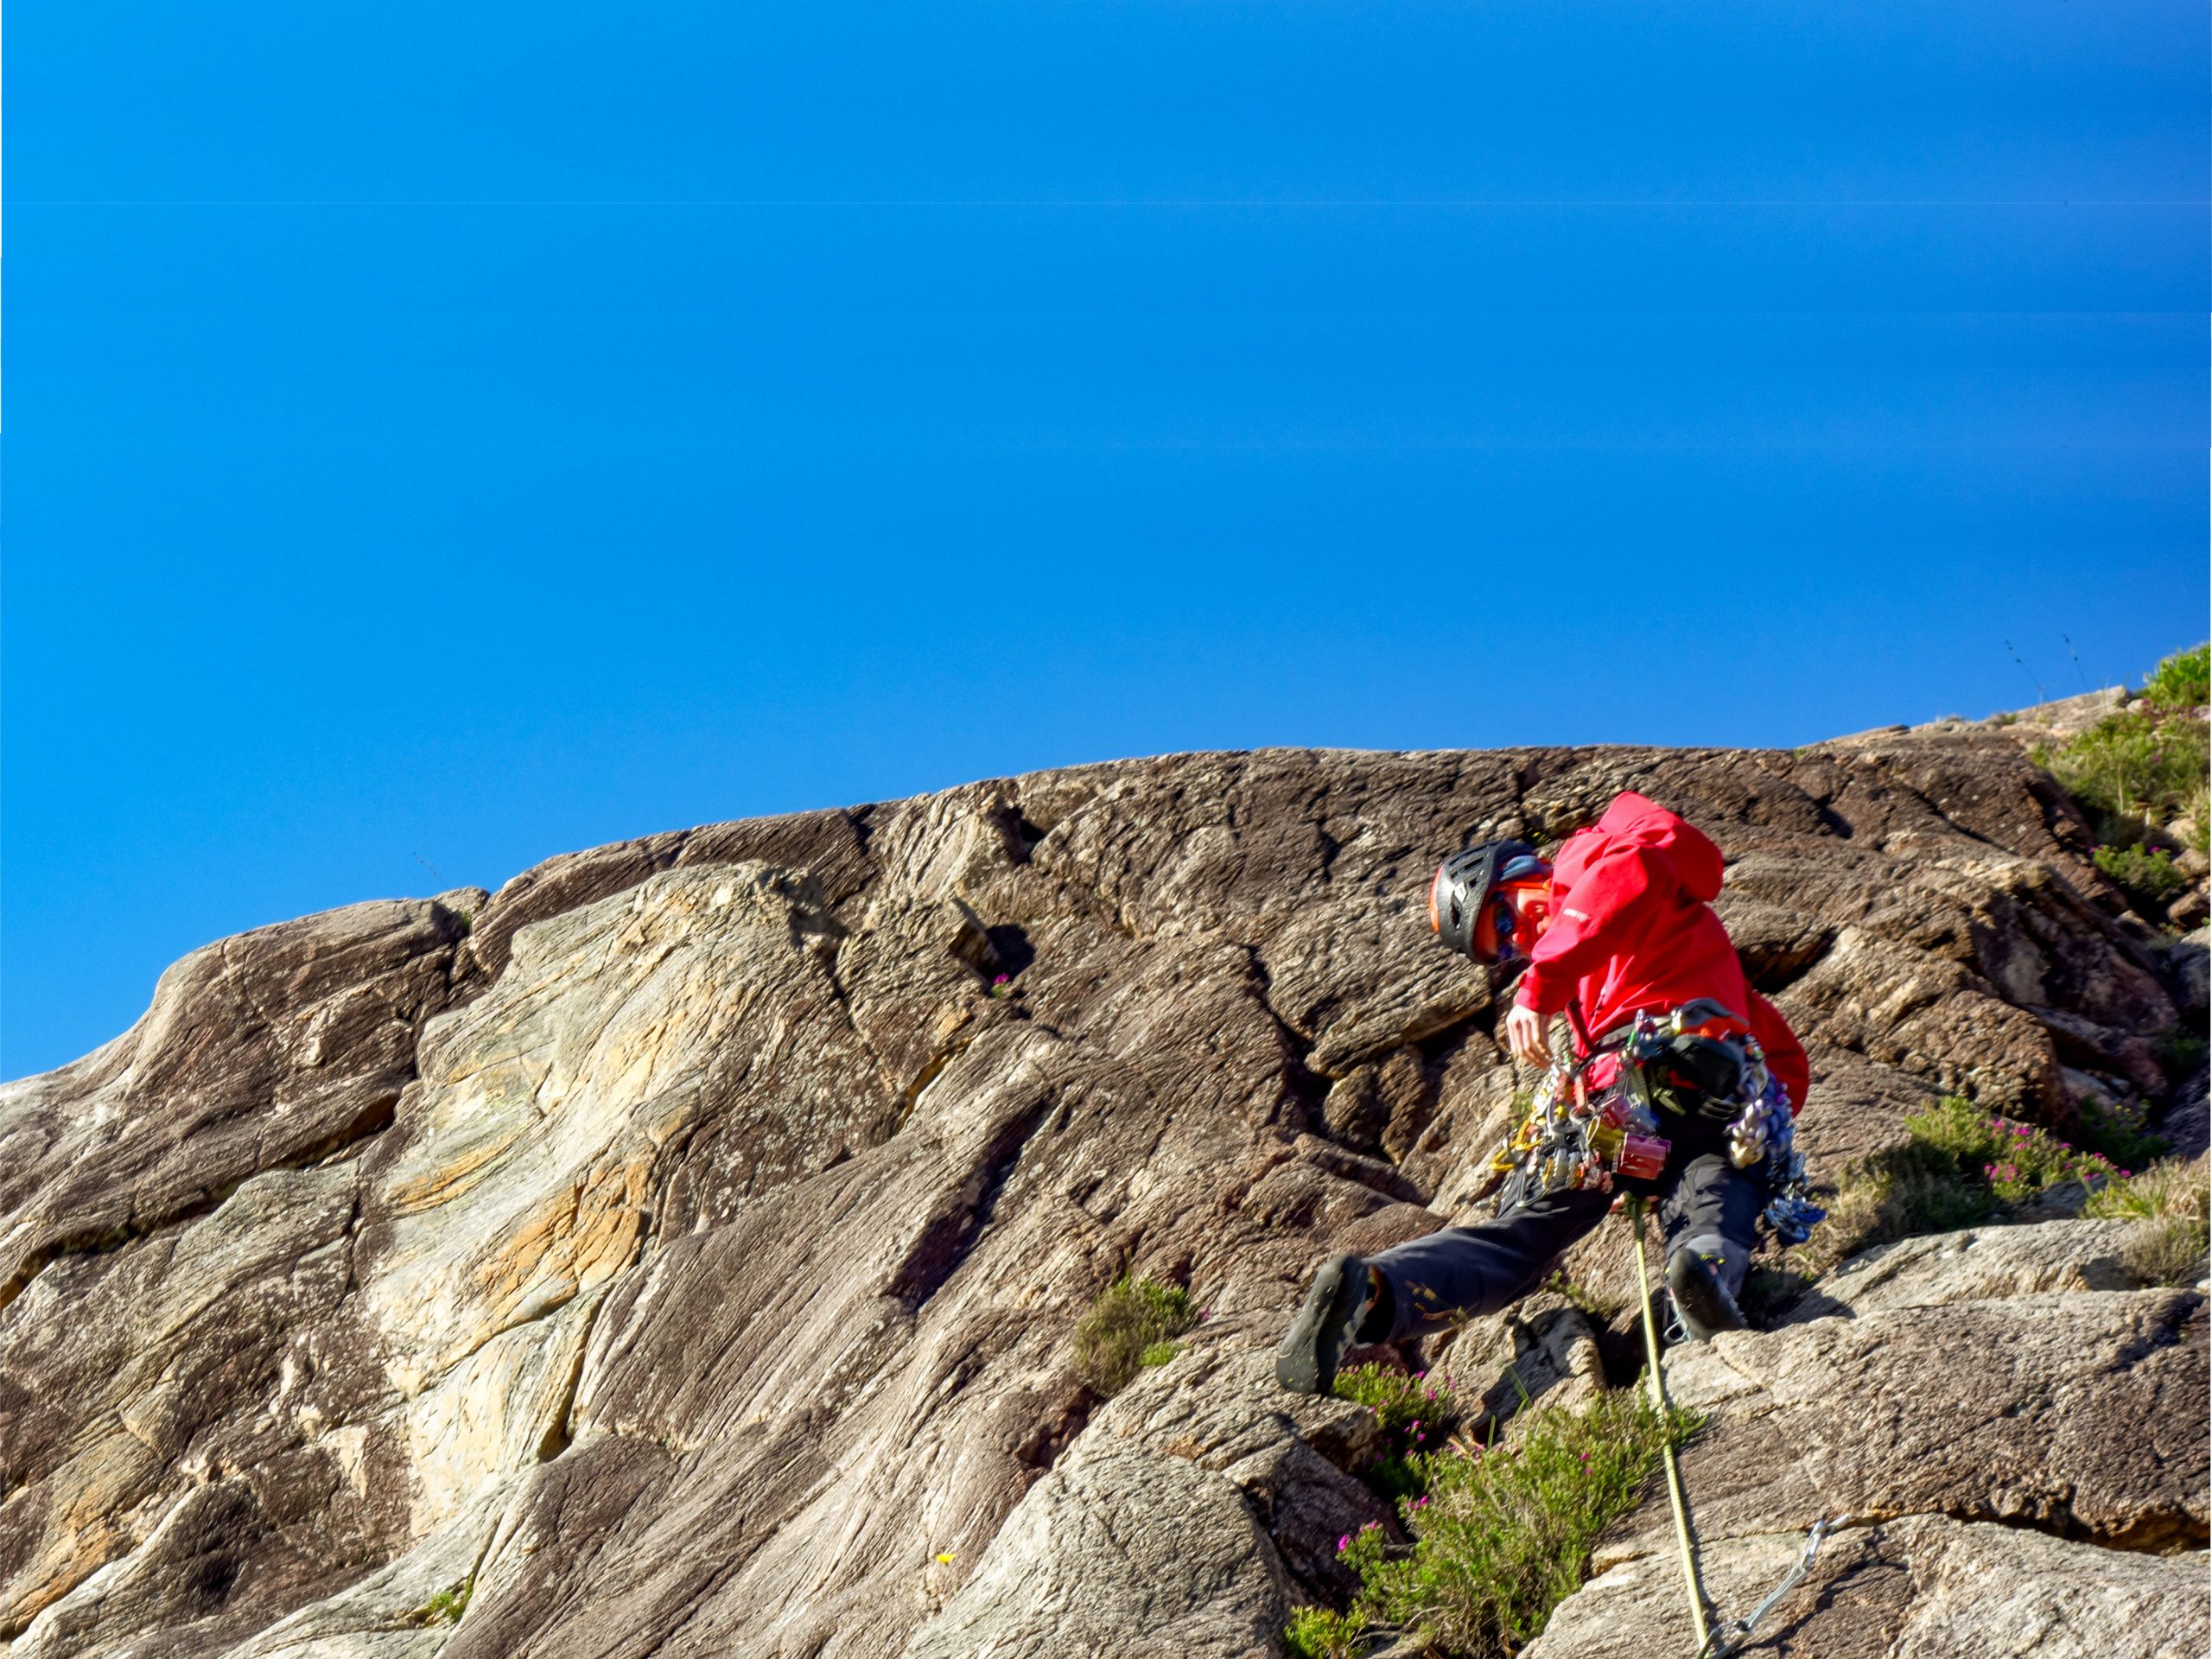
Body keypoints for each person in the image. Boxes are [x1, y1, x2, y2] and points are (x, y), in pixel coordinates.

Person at [1277, 791, 1813, 1396]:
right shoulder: (1623, 962)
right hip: (1669, 1095)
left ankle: (1700, 1276)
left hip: (1651, 1077)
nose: (1517, 940)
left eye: (1504, 918)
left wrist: (1539, 985)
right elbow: (1783, 1058)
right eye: (1503, 948)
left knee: (1692, 1181)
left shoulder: (1593, 859)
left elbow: (1624, 876)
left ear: (1526, 872)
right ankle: (1374, 1294)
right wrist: (1762, 1121)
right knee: (1692, 1187)